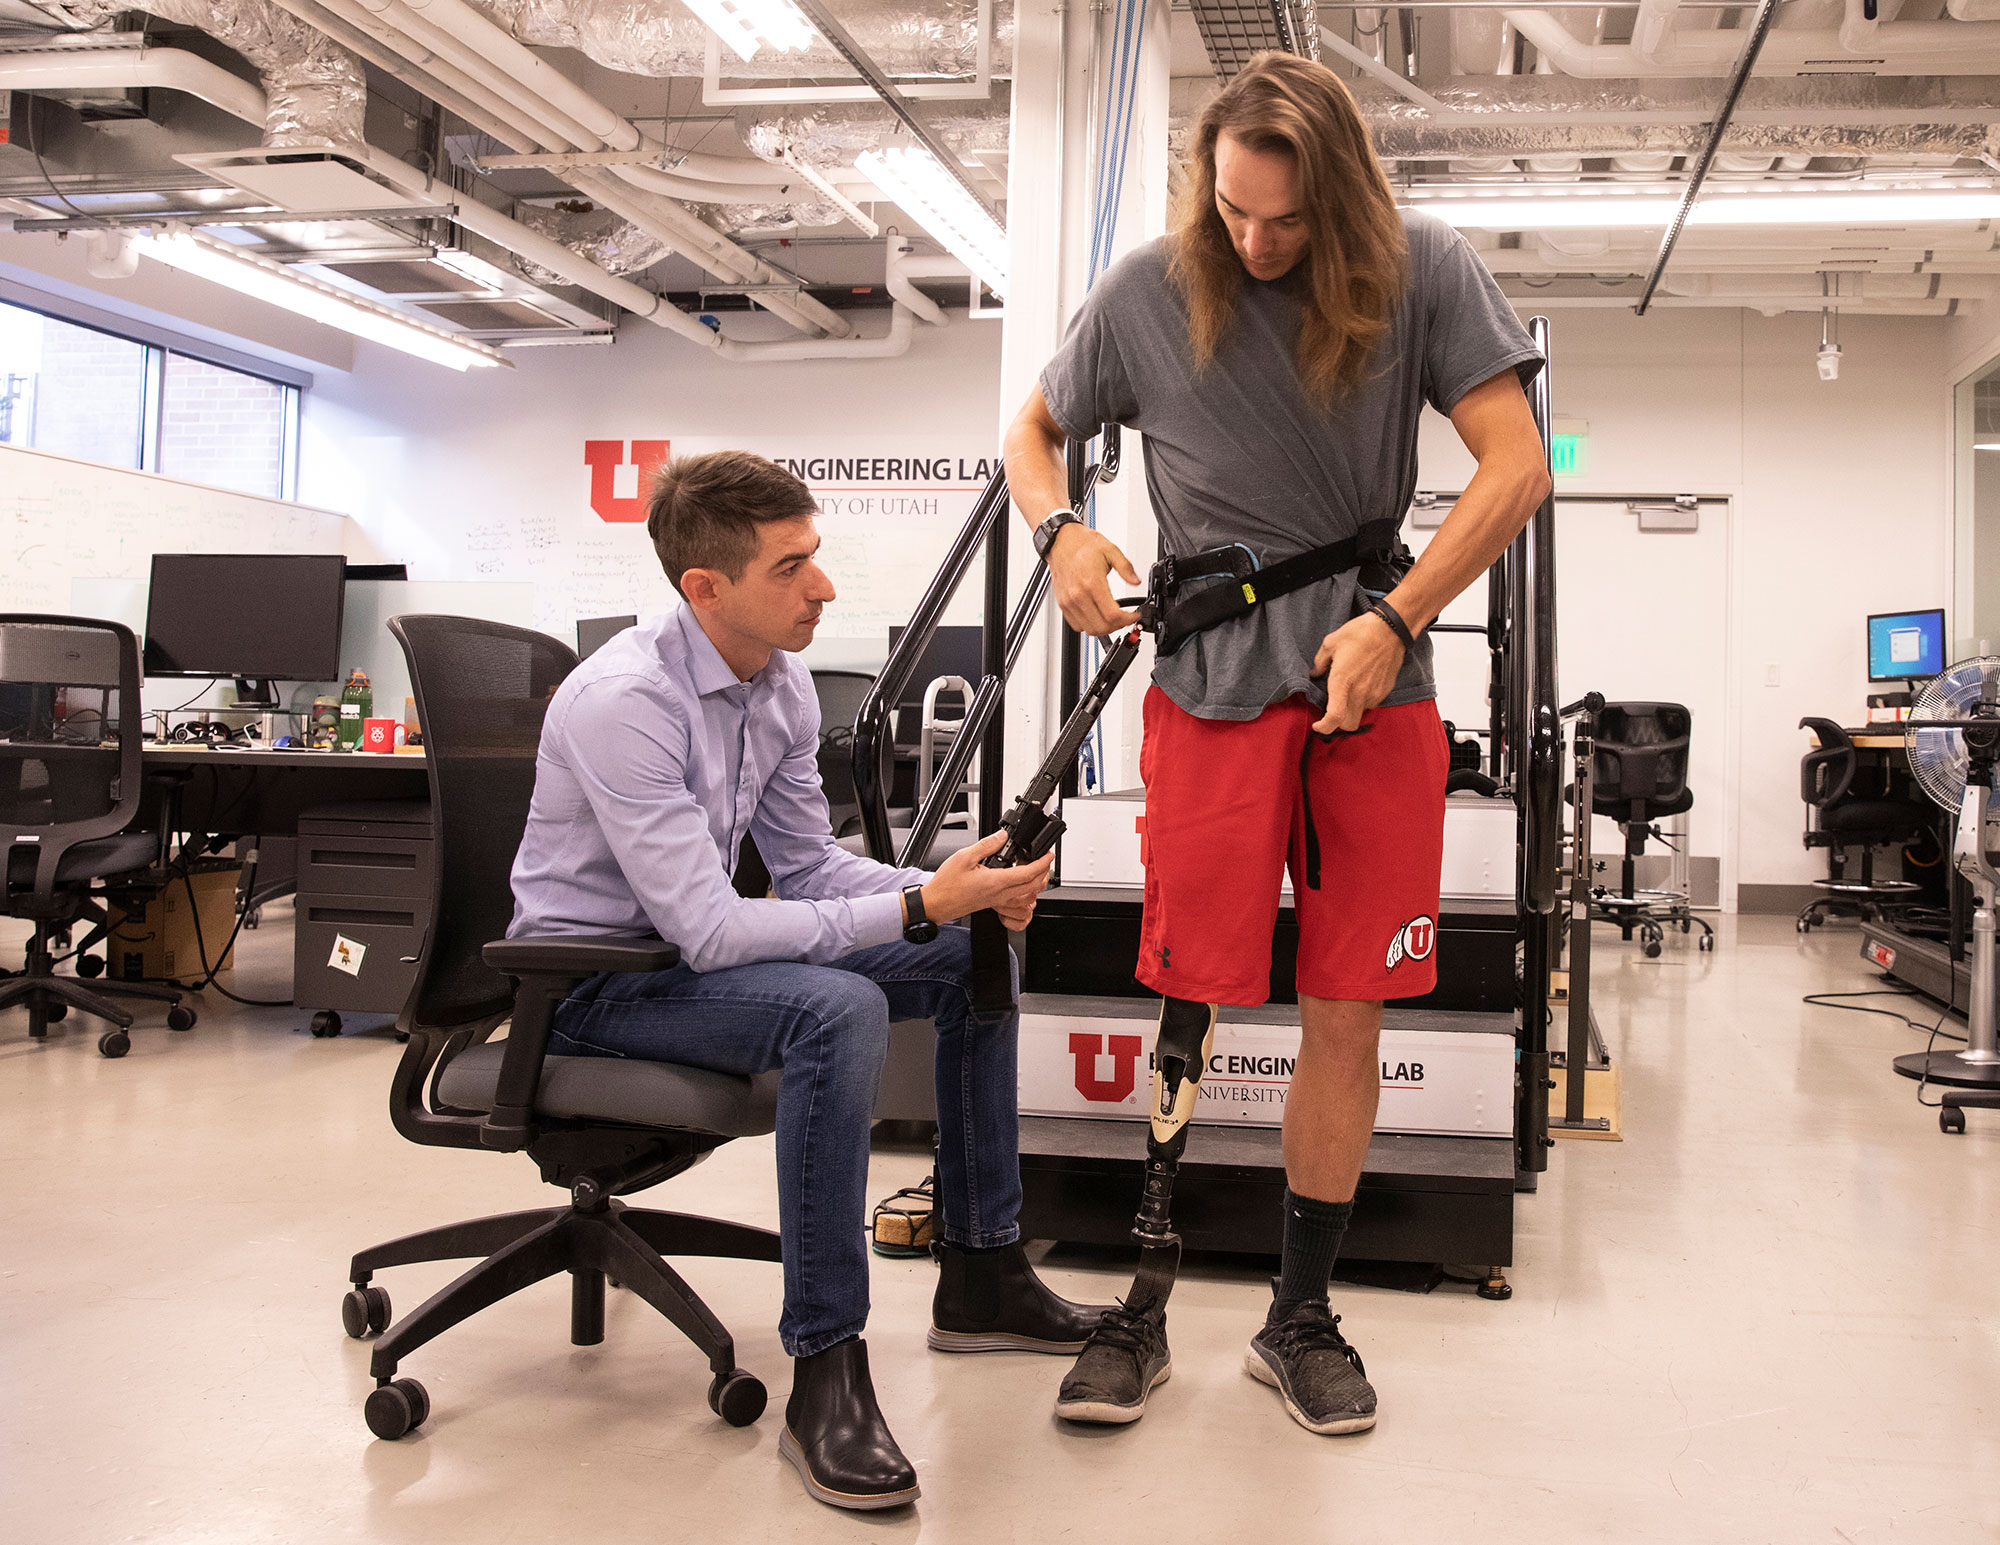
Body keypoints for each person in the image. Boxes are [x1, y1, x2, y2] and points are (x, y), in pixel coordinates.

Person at [1003, 51, 1551, 1435]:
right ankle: (1140, 1298)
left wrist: (1399, 617)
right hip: (1206, 682)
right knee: (1189, 985)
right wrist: (1059, 529)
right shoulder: (1146, 290)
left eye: (1289, 221)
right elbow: (1033, 431)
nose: (1257, 243)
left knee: (1347, 1005)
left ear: (1346, 197)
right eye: (1236, 212)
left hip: (1371, 686)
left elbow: (1519, 464)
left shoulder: (1424, 269)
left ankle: (1299, 1313)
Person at [507, 450, 1105, 1511]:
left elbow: (811, 867)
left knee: (972, 956)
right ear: (705, 589)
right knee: (838, 1006)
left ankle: (980, 1271)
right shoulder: (624, 702)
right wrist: (925, 902)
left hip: (680, 963)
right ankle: (823, 1368)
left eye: (814, 556)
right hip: (587, 989)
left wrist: (952, 891)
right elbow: (710, 929)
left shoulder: (771, 682)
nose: (822, 586)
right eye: (791, 567)